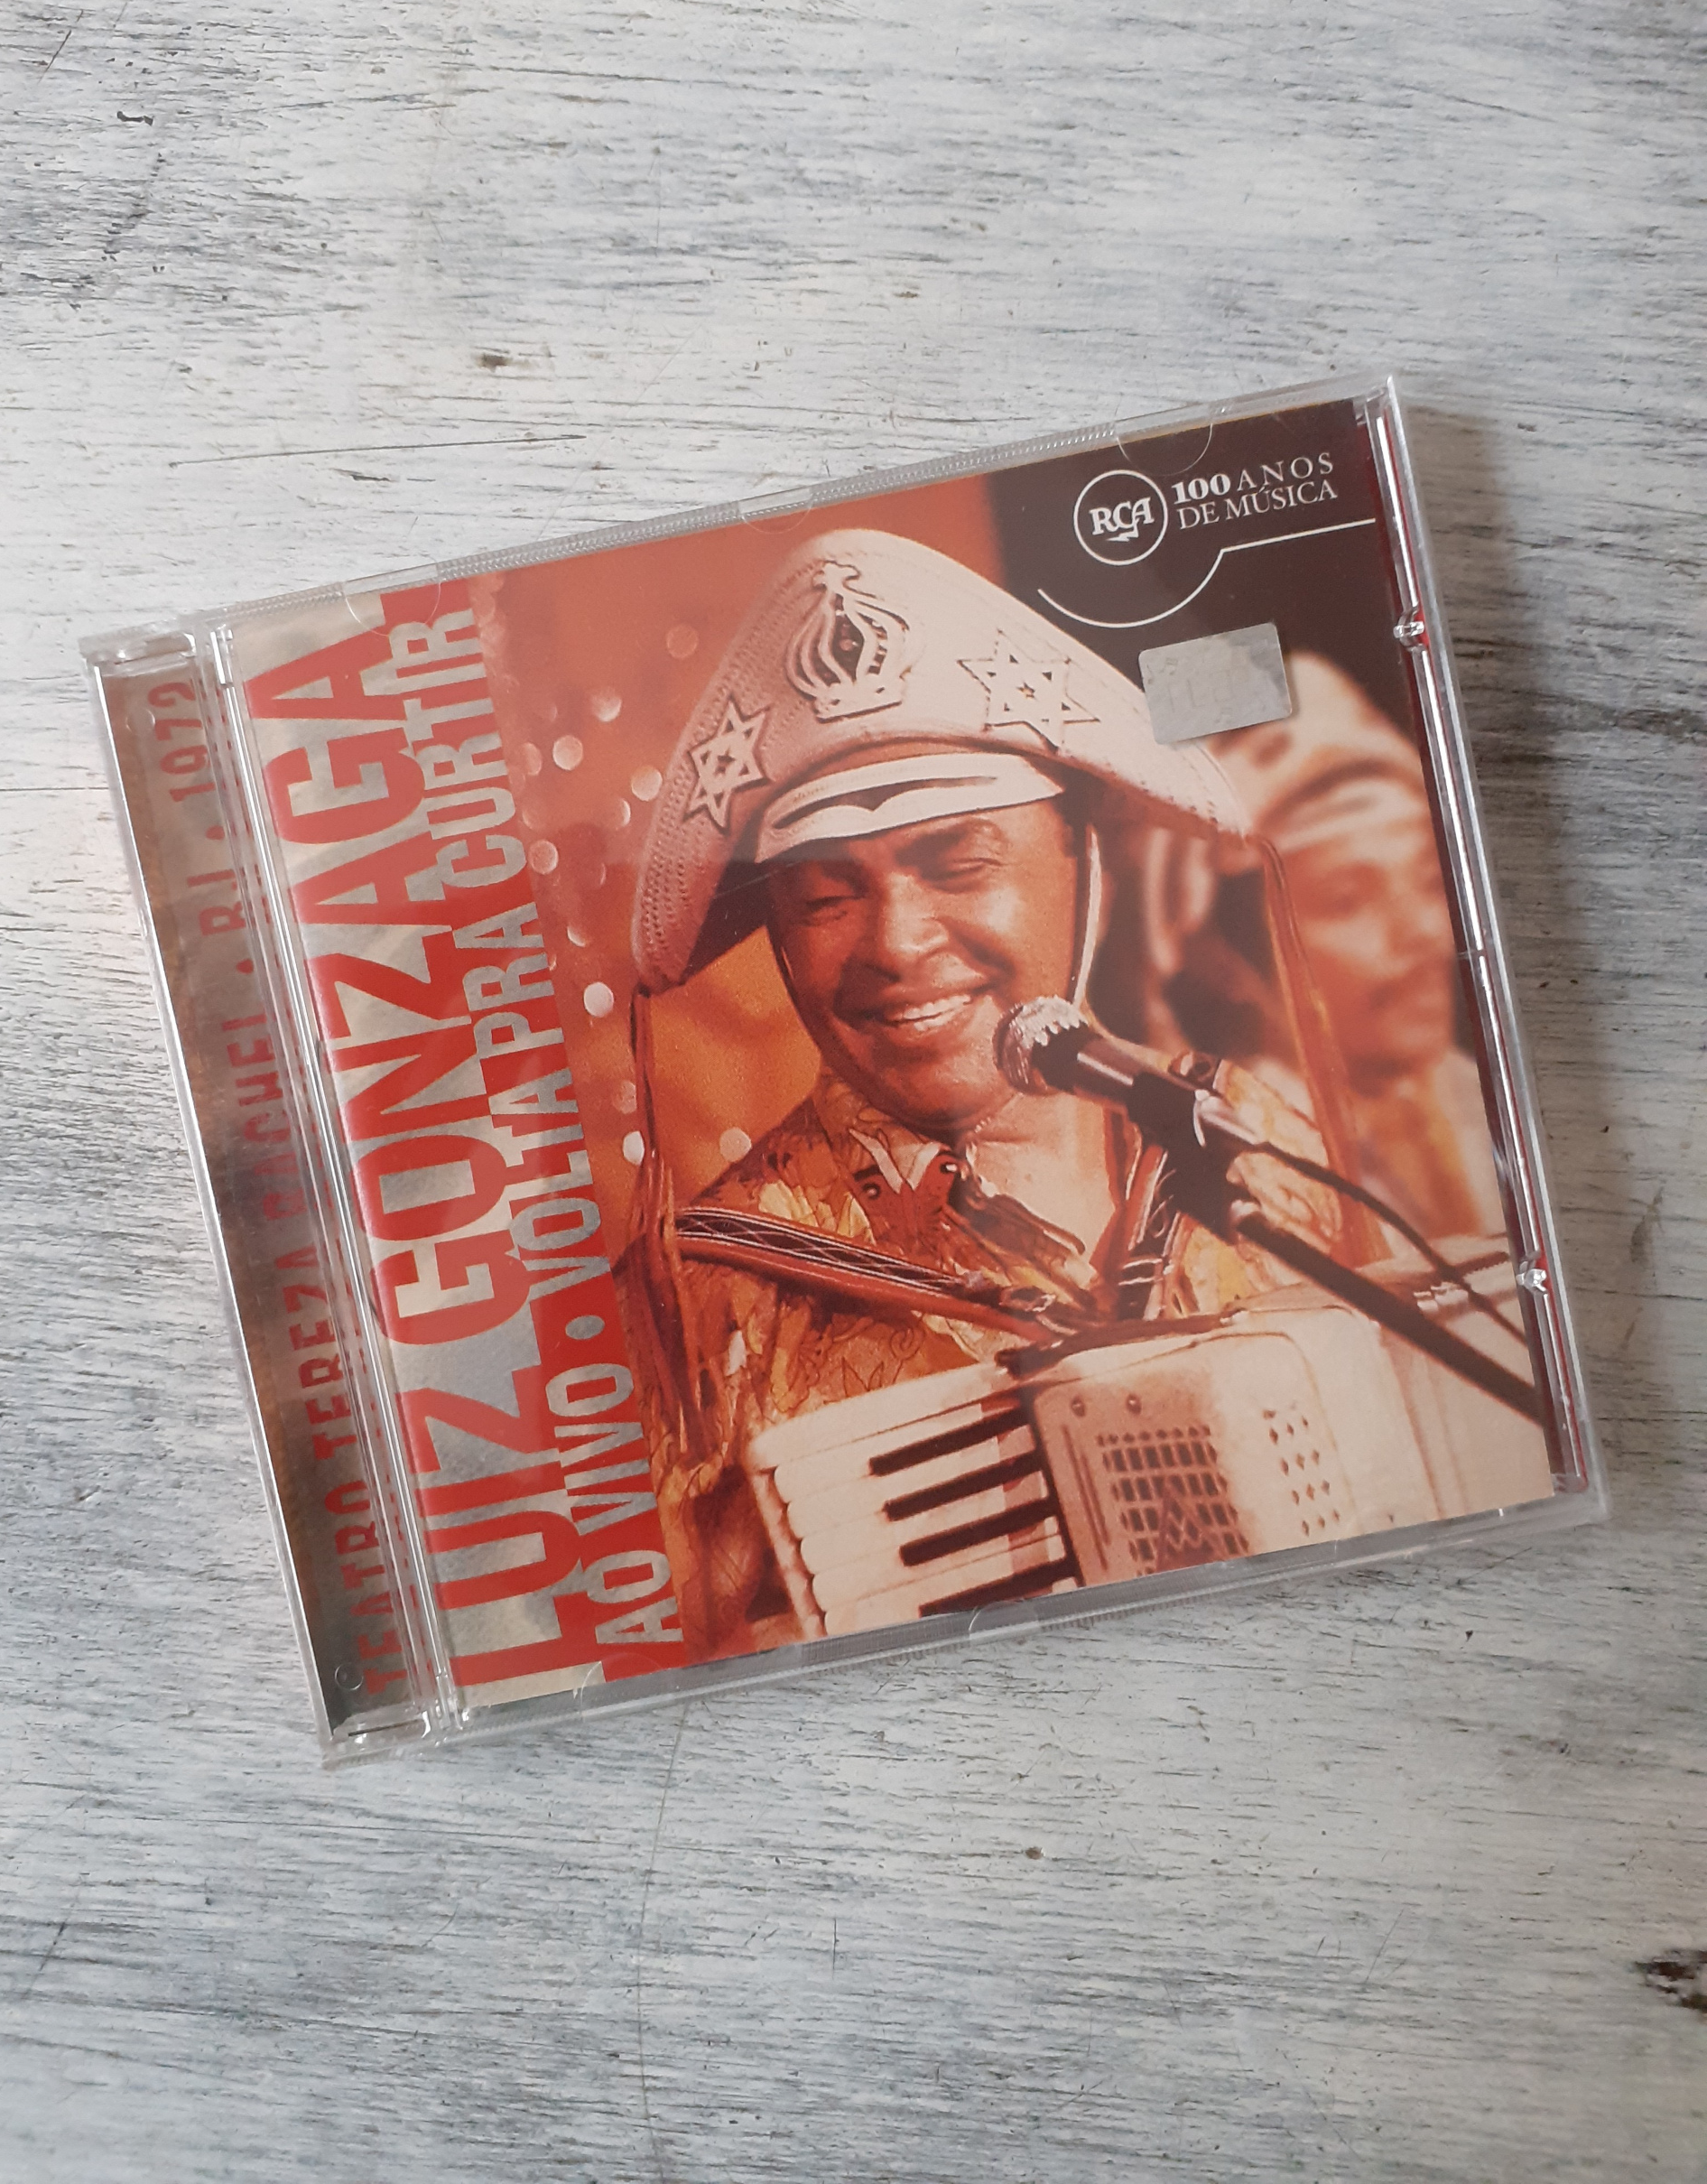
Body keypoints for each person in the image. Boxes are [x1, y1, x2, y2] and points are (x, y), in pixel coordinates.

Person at [619, 531, 1343, 1658]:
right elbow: (667, 1670)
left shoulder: (1252, 1136)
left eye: (959, 866)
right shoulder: (698, 1296)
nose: (894, 945)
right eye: (823, 900)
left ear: (1084, 864)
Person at [1204, 654, 1507, 1246]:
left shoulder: (1478, 1097)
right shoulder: (1244, 1165)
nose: (1423, 934)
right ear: (1227, 959)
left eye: (1427, 882)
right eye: (1348, 899)